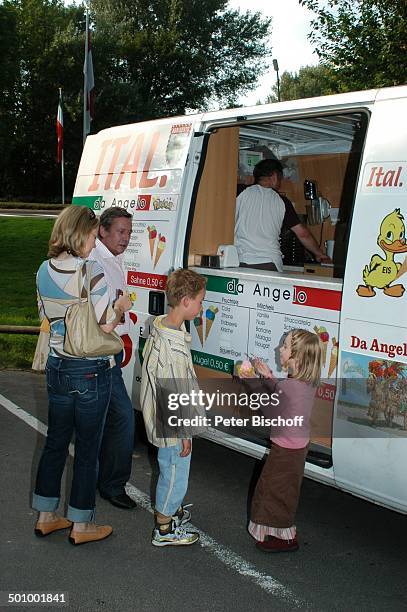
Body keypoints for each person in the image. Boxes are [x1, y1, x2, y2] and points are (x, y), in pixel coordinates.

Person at [33, 206, 132, 545]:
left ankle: (47, 515)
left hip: (57, 366)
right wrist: (120, 308)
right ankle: (82, 523)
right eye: (91, 236)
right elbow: (105, 325)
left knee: (56, 443)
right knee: (88, 449)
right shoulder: (91, 272)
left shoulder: (43, 270)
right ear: (79, 234)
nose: (93, 244)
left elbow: (46, 316)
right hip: (89, 369)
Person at [239, 329, 322, 553]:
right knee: (283, 490)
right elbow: (283, 394)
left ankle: (284, 537)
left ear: (298, 358)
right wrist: (268, 377)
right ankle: (281, 532)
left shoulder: (290, 386)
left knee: (272, 491)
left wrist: (251, 382)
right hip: (297, 448)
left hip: (285, 451)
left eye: (284, 347)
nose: (279, 349)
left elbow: (270, 409)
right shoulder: (305, 382)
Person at [140, 268, 207, 546]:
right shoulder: (172, 349)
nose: (203, 306)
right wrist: (183, 433)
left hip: (162, 419)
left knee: (170, 467)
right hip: (173, 426)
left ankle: (172, 509)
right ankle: (164, 528)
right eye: (201, 301)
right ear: (186, 302)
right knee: (175, 472)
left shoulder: (165, 327)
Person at [90, 207, 137, 510]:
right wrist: (120, 312)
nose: (126, 238)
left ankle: (105, 482)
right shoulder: (96, 261)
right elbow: (102, 315)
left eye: (129, 232)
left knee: (110, 419)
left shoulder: (114, 258)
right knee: (121, 417)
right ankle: (110, 485)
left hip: (111, 347)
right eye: (121, 231)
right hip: (99, 350)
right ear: (102, 231)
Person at [234, 159, 331, 271]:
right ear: (274, 176)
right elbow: (303, 234)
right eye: (280, 179)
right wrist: (320, 254)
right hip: (271, 263)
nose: (280, 183)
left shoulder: (239, 191)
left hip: (241, 261)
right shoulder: (283, 202)